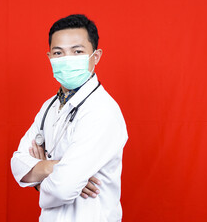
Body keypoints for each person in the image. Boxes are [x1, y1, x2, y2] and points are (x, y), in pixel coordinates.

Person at [10, 14, 128, 222]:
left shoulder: (101, 110)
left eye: (77, 51)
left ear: (96, 56)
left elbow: (63, 189)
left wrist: (39, 176)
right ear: (49, 58)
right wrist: (54, 168)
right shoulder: (49, 106)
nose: (67, 59)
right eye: (58, 53)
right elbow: (18, 164)